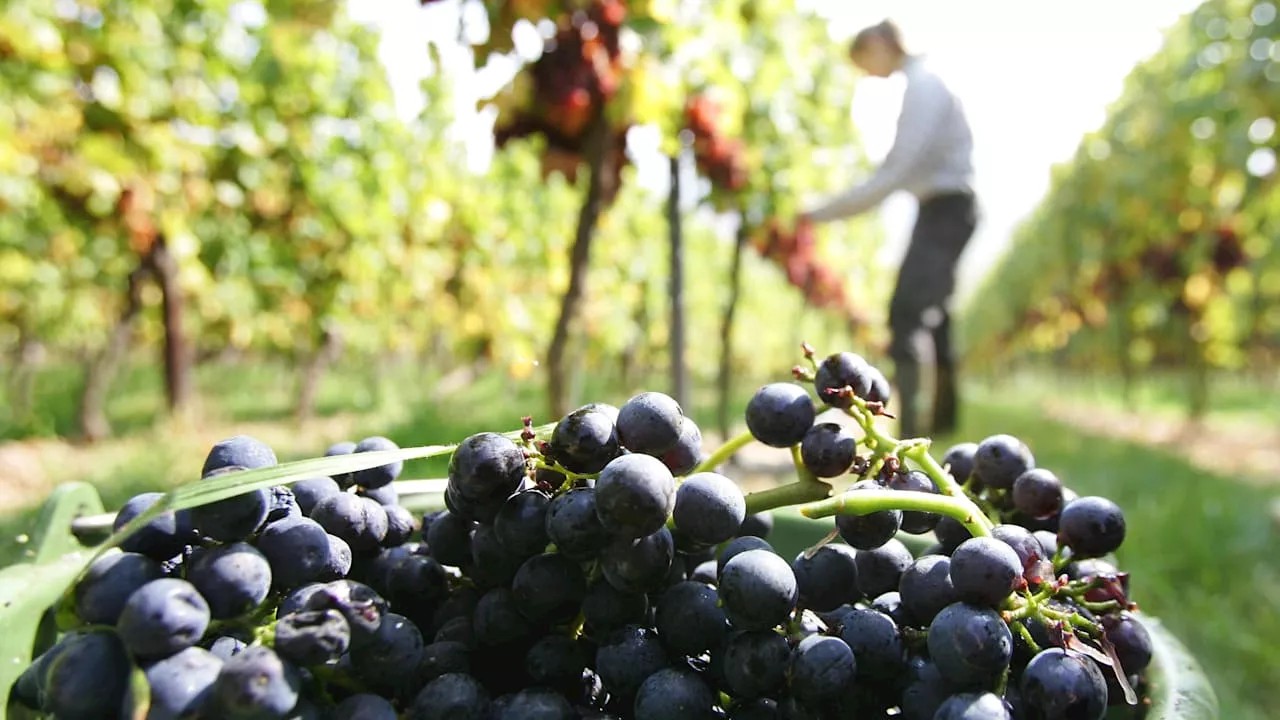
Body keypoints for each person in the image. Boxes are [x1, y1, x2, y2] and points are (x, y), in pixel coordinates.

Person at [799, 19, 977, 439]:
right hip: (947, 207)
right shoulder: (925, 81)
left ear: (880, 44)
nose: (865, 72)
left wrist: (821, 211)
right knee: (934, 316)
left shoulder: (923, 85)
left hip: (946, 208)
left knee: (908, 313)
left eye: (863, 61)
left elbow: (896, 170)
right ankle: (941, 426)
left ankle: (916, 432)